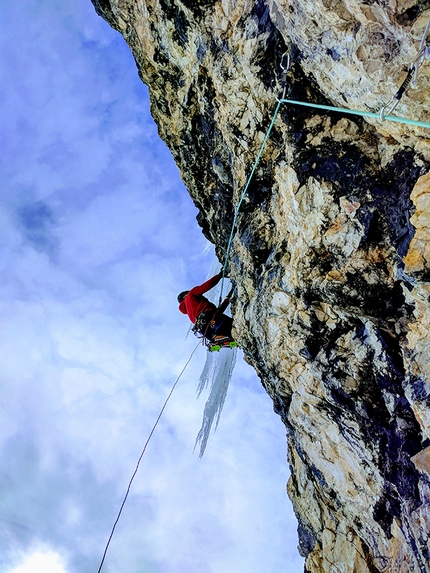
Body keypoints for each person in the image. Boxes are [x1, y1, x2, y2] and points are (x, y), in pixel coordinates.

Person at [178, 272, 234, 343]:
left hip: (205, 331)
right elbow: (206, 286)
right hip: (211, 319)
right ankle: (222, 337)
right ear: (185, 295)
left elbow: (217, 313)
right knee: (232, 325)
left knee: (227, 333)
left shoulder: (191, 315)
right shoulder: (190, 295)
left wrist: (227, 299)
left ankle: (218, 339)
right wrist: (219, 276)